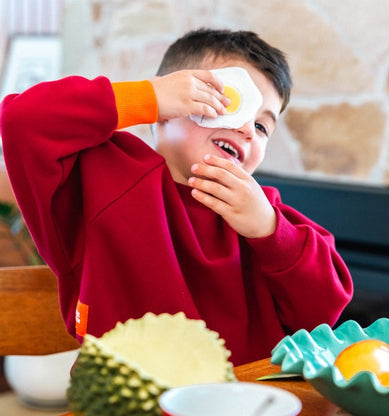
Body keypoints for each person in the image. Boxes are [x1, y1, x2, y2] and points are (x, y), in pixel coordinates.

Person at [0, 28, 353, 366]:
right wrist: (148, 96)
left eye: (262, 127)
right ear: (168, 109)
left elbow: (325, 308)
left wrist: (271, 231)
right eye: (232, 102)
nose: (248, 130)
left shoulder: (262, 215)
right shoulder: (103, 178)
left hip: (246, 401)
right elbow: (21, 119)